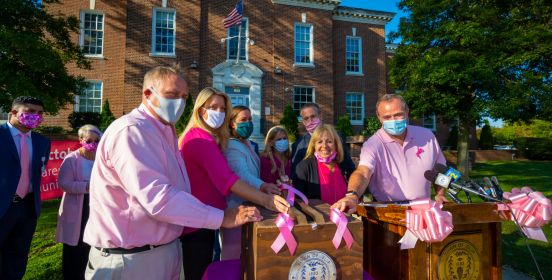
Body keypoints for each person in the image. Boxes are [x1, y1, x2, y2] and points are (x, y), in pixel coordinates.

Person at [82, 66, 262, 280]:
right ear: (148, 94)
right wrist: (222, 217)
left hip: (161, 249)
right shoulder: (132, 132)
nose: (179, 102)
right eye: (172, 94)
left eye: (184, 96)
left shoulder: (164, 131)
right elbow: (158, 198)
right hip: (131, 258)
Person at [179, 88, 289, 279]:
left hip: (206, 218)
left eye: (223, 109)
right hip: (198, 223)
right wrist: (267, 200)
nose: (218, 113)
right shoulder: (200, 139)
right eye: (213, 107)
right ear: (200, 109)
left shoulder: (208, 138)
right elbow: (229, 180)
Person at [333, 94, 448, 214]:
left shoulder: (427, 136)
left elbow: (439, 169)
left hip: (425, 210)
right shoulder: (373, 144)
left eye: (398, 115)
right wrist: (352, 195)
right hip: (390, 212)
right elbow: (363, 172)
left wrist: (440, 194)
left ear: (407, 112)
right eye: (387, 117)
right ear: (379, 117)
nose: (393, 120)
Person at [0, 96, 51, 280]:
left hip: (26, 208)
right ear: (13, 112)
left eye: (39, 113)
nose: (36, 116)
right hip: (2, 207)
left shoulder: (42, 142)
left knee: (17, 258)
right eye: (30, 111)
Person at [221, 105, 281, 260]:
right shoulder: (232, 146)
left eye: (250, 119)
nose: (247, 123)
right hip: (236, 207)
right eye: (243, 120)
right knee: (233, 255)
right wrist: (262, 186)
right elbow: (242, 175)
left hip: (248, 204)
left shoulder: (245, 143)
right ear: (232, 123)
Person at [55, 124, 101, 280]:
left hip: (97, 207)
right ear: (80, 139)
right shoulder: (71, 159)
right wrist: (86, 186)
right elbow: (63, 183)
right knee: (75, 247)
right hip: (78, 209)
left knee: (92, 245)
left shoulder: (101, 159)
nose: (93, 144)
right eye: (89, 140)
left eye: (97, 141)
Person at [291, 102, 355, 180]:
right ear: (303, 121)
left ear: (320, 116)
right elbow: (296, 174)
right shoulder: (298, 145)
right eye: (306, 118)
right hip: (313, 188)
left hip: (337, 183)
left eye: (313, 116)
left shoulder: (337, 136)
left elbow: (348, 164)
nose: (310, 121)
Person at [293, 125, 352, 205]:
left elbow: (354, 190)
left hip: (346, 216)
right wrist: (311, 202)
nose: (324, 146)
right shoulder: (304, 166)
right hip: (319, 216)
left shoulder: (343, 164)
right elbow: (296, 199)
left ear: (336, 144)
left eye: (329, 142)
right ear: (314, 145)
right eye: (320, 142)